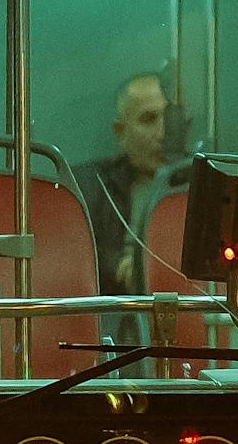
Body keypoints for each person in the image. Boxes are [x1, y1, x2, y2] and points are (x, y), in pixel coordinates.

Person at [75, 71, 183, 292]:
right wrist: (118, 266)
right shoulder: (91, 186)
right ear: (120, 132)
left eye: (169, 119)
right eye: (148, 119)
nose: (163, 133)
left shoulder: (198, 184)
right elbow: (70, 254)